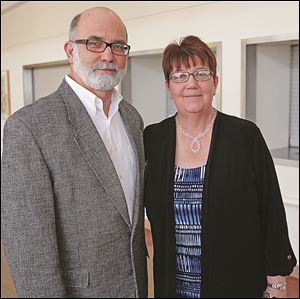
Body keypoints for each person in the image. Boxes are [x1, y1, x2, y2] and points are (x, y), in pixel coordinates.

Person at [1, 7, 147, 298]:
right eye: (94, 43)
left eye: (118, 46)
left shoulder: (132, 118)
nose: (108, 55)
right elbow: (30, 253)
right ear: (70, 50)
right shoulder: (29, 127)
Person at [144, 35, 296, 298]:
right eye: (180, 75)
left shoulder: (244, 136)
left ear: (215, 82)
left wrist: (277, 283)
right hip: (173, 284)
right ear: (168, 86)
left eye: (201, 73)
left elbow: (271, 210)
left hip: (236, 282)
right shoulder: (153, 139)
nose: (191, 83)